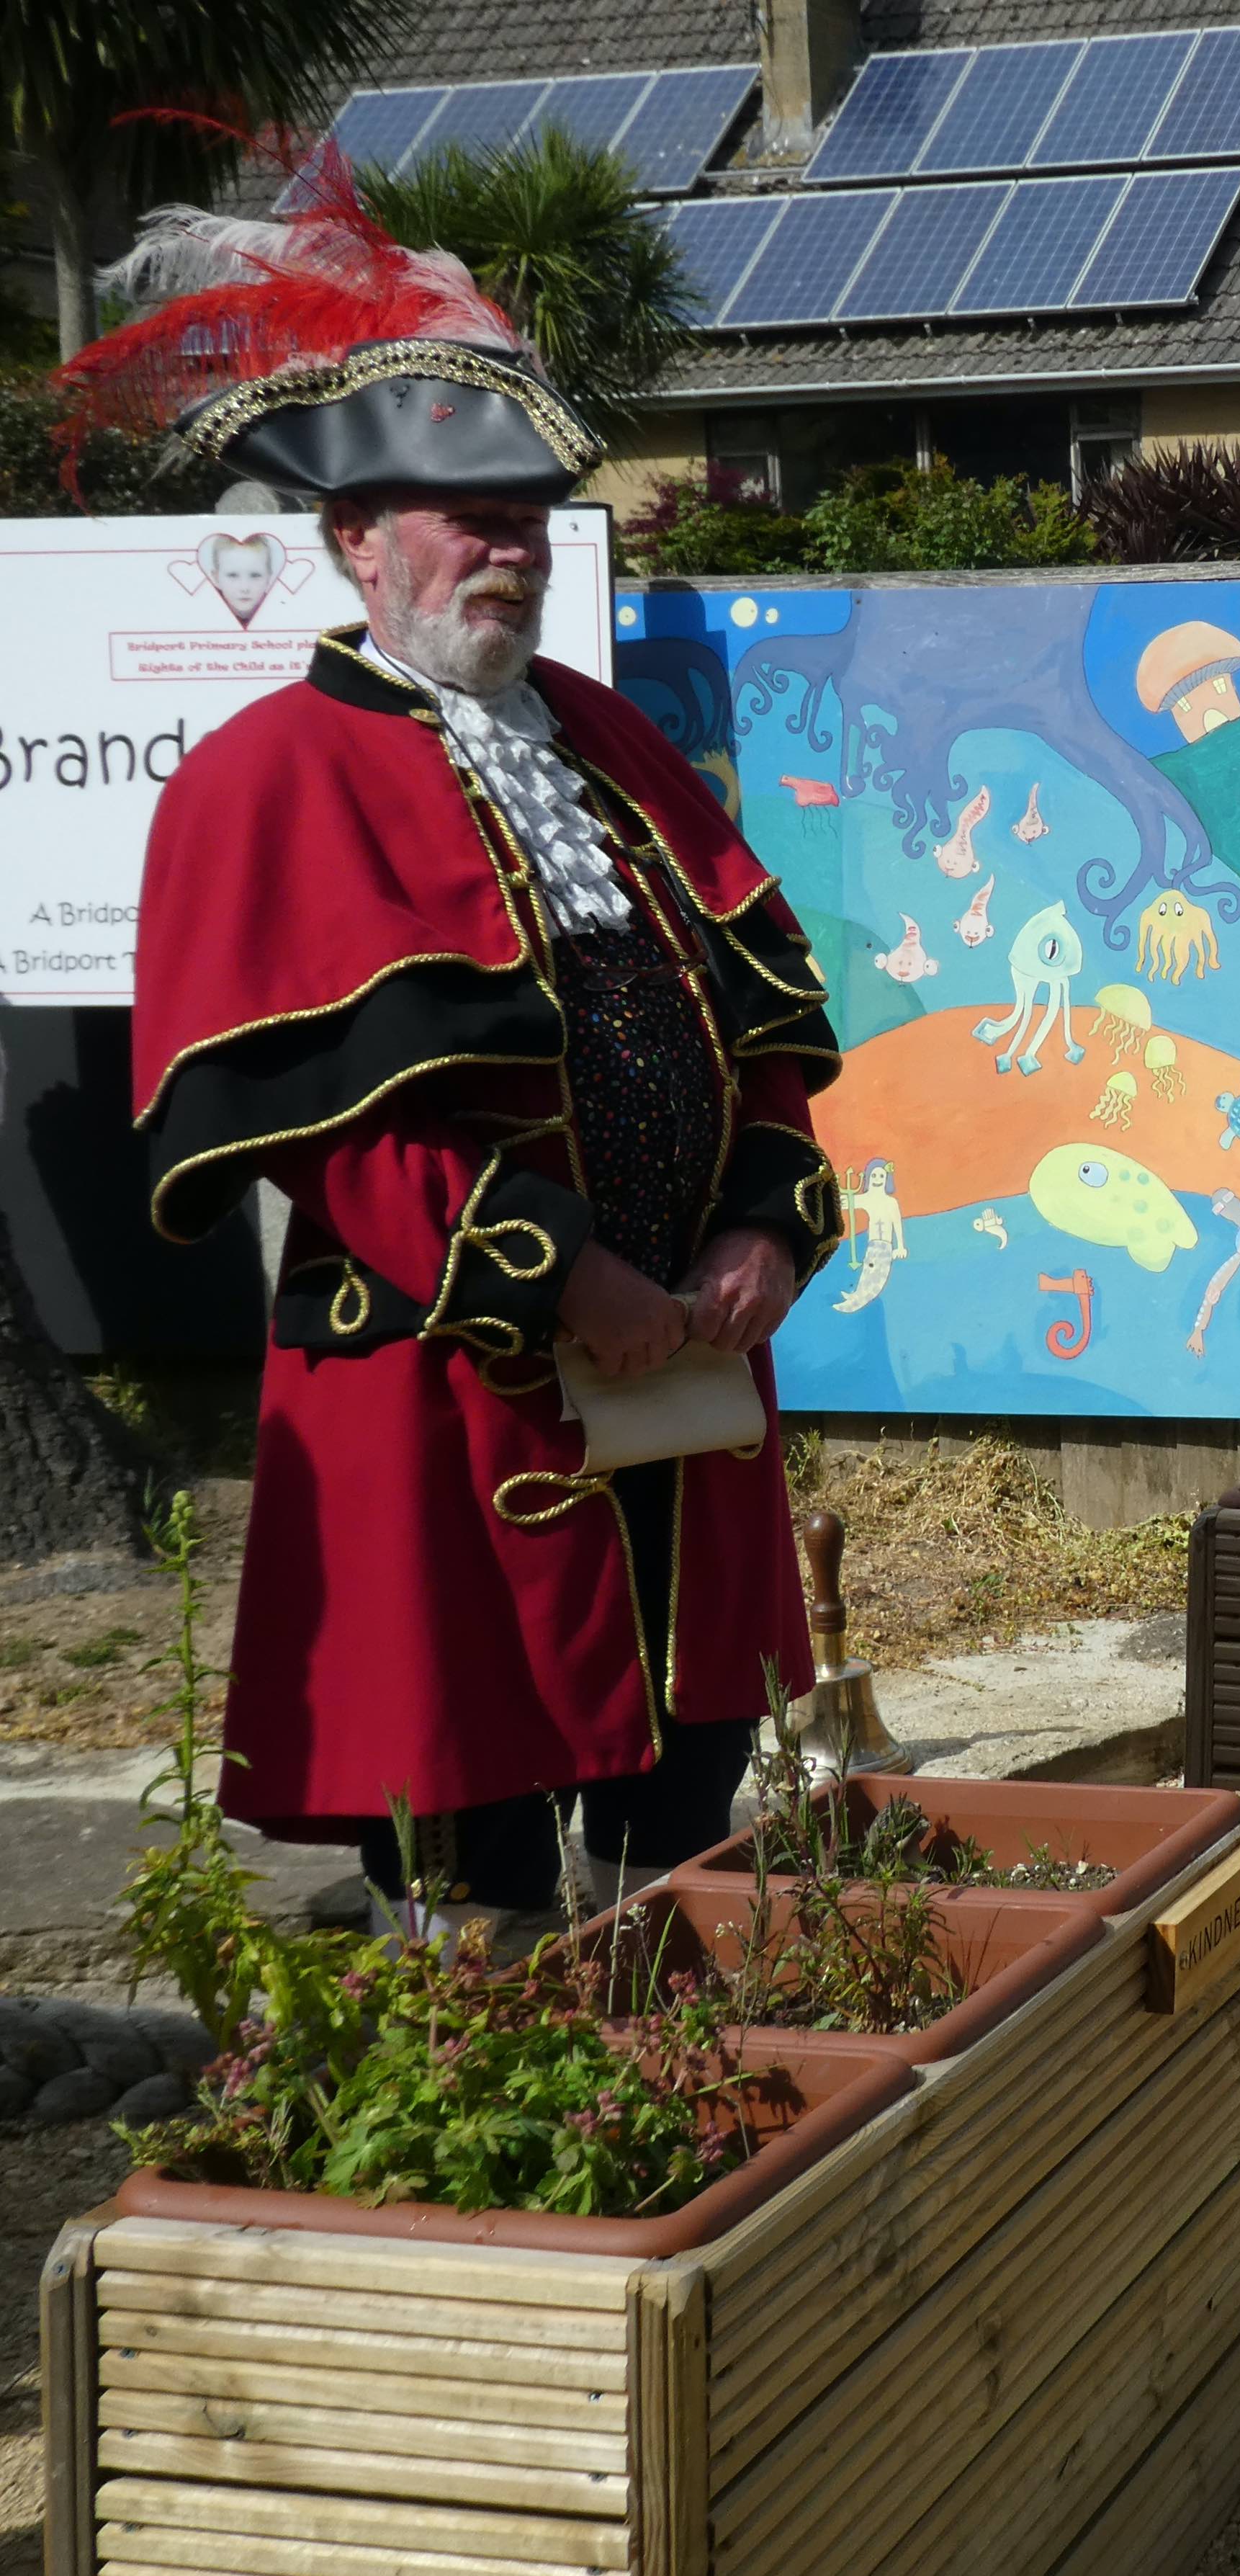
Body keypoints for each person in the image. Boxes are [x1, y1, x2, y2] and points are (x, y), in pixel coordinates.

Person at [89, 166, 846, 1913]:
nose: (506, 542)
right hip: (456, 1394)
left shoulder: (608, 740)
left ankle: (709, 2119)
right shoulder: (262, 780)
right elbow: (338, 1129)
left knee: (691, 1818)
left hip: (694, 1365)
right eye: (462, 513)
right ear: (358, 541)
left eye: (522, 511)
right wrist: (572, 1278)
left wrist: (762, 1224)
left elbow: (768, 1023)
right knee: (480, 1838)